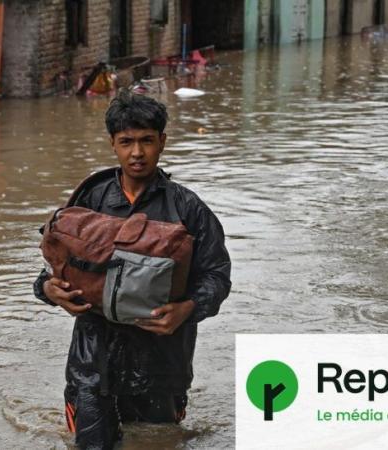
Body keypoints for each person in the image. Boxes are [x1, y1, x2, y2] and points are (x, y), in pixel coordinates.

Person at [33, 90, 231, 449]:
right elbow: (54, 267)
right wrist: (48, 290)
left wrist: (186, 309)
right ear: (113, 144)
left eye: (146, 141)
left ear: (163, 143)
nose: (136, 153)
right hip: (92, 360)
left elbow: (217, 277)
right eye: (126, 142)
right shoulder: (88, 201)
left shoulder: (188, 209)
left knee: (156, 442)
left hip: (162, 364)